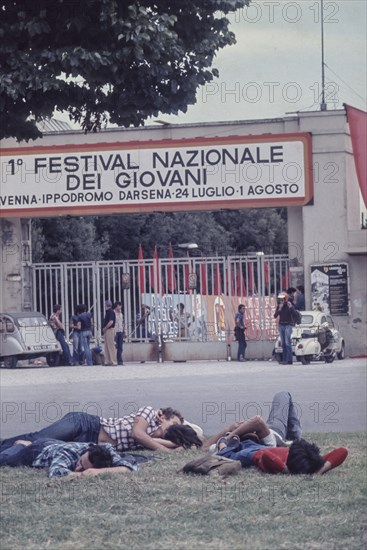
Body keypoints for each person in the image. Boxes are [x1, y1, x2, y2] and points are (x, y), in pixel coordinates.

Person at [212, 391, 348, 475]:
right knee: (283, 395)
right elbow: (343, 451)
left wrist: (227, 438)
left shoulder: (248, 453)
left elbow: (265, 455)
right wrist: (319, 471)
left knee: (283, 395)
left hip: (267, 444)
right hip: (277, 442)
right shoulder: (307, 462)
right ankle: (294, 435)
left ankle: (294, 435)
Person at [0, 406, 184, 453]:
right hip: (86, 424)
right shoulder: (149, 413)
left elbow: (195, 436)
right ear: (162, 417)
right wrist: (168, 449)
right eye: (174, 424)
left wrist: (173, 442)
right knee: (35, 437)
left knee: (37, 444)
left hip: (87, 442)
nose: (174, 430)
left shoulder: (152, 437)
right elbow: (137, 434)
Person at [0, 438, 137, 478]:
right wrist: (82, 474)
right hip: (37, 451)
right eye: (80, 462)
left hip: (54, 444)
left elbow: (130, 467)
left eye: (83, 468)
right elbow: (55, 472)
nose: (78, 468)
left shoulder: (106, 450)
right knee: (5, 460)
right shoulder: (67, 453)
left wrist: (98, 472)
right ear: (85, 452)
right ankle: (22, 444)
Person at [274, 292, 296, 365]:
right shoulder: (279, 306)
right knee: (283, 343)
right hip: (281, 325)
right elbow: (275, 315)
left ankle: (289, 360)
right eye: (280, 299)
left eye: (282, 299)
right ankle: (284, 359)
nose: (281, 300)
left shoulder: (289, 305)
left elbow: (295, 314)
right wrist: (279, 308)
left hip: (288, 325)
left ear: (285, 299)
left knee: (287, 343)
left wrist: (291, 308)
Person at [102, 300, 117, 366]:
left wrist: (105, 328)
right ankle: (108, 361)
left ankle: (113, 361)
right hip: (108, 330)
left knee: (111, 346)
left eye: (105, 304)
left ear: (106, 305)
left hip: (110, 330)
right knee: (107, 346)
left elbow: (111, 322)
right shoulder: (108, 312)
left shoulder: (110, 312)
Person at [114, 301, 124, 365]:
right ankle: (113, 359)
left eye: (120, 305)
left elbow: (122, 322)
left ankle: (120, 361)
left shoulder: (121, 314)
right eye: (119, 305)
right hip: (115, 331)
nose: (120, 307)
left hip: (120, 331)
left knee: (120, 347)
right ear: (116, 306)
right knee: (115, 346)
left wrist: (124, 331)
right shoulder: (113, 313)